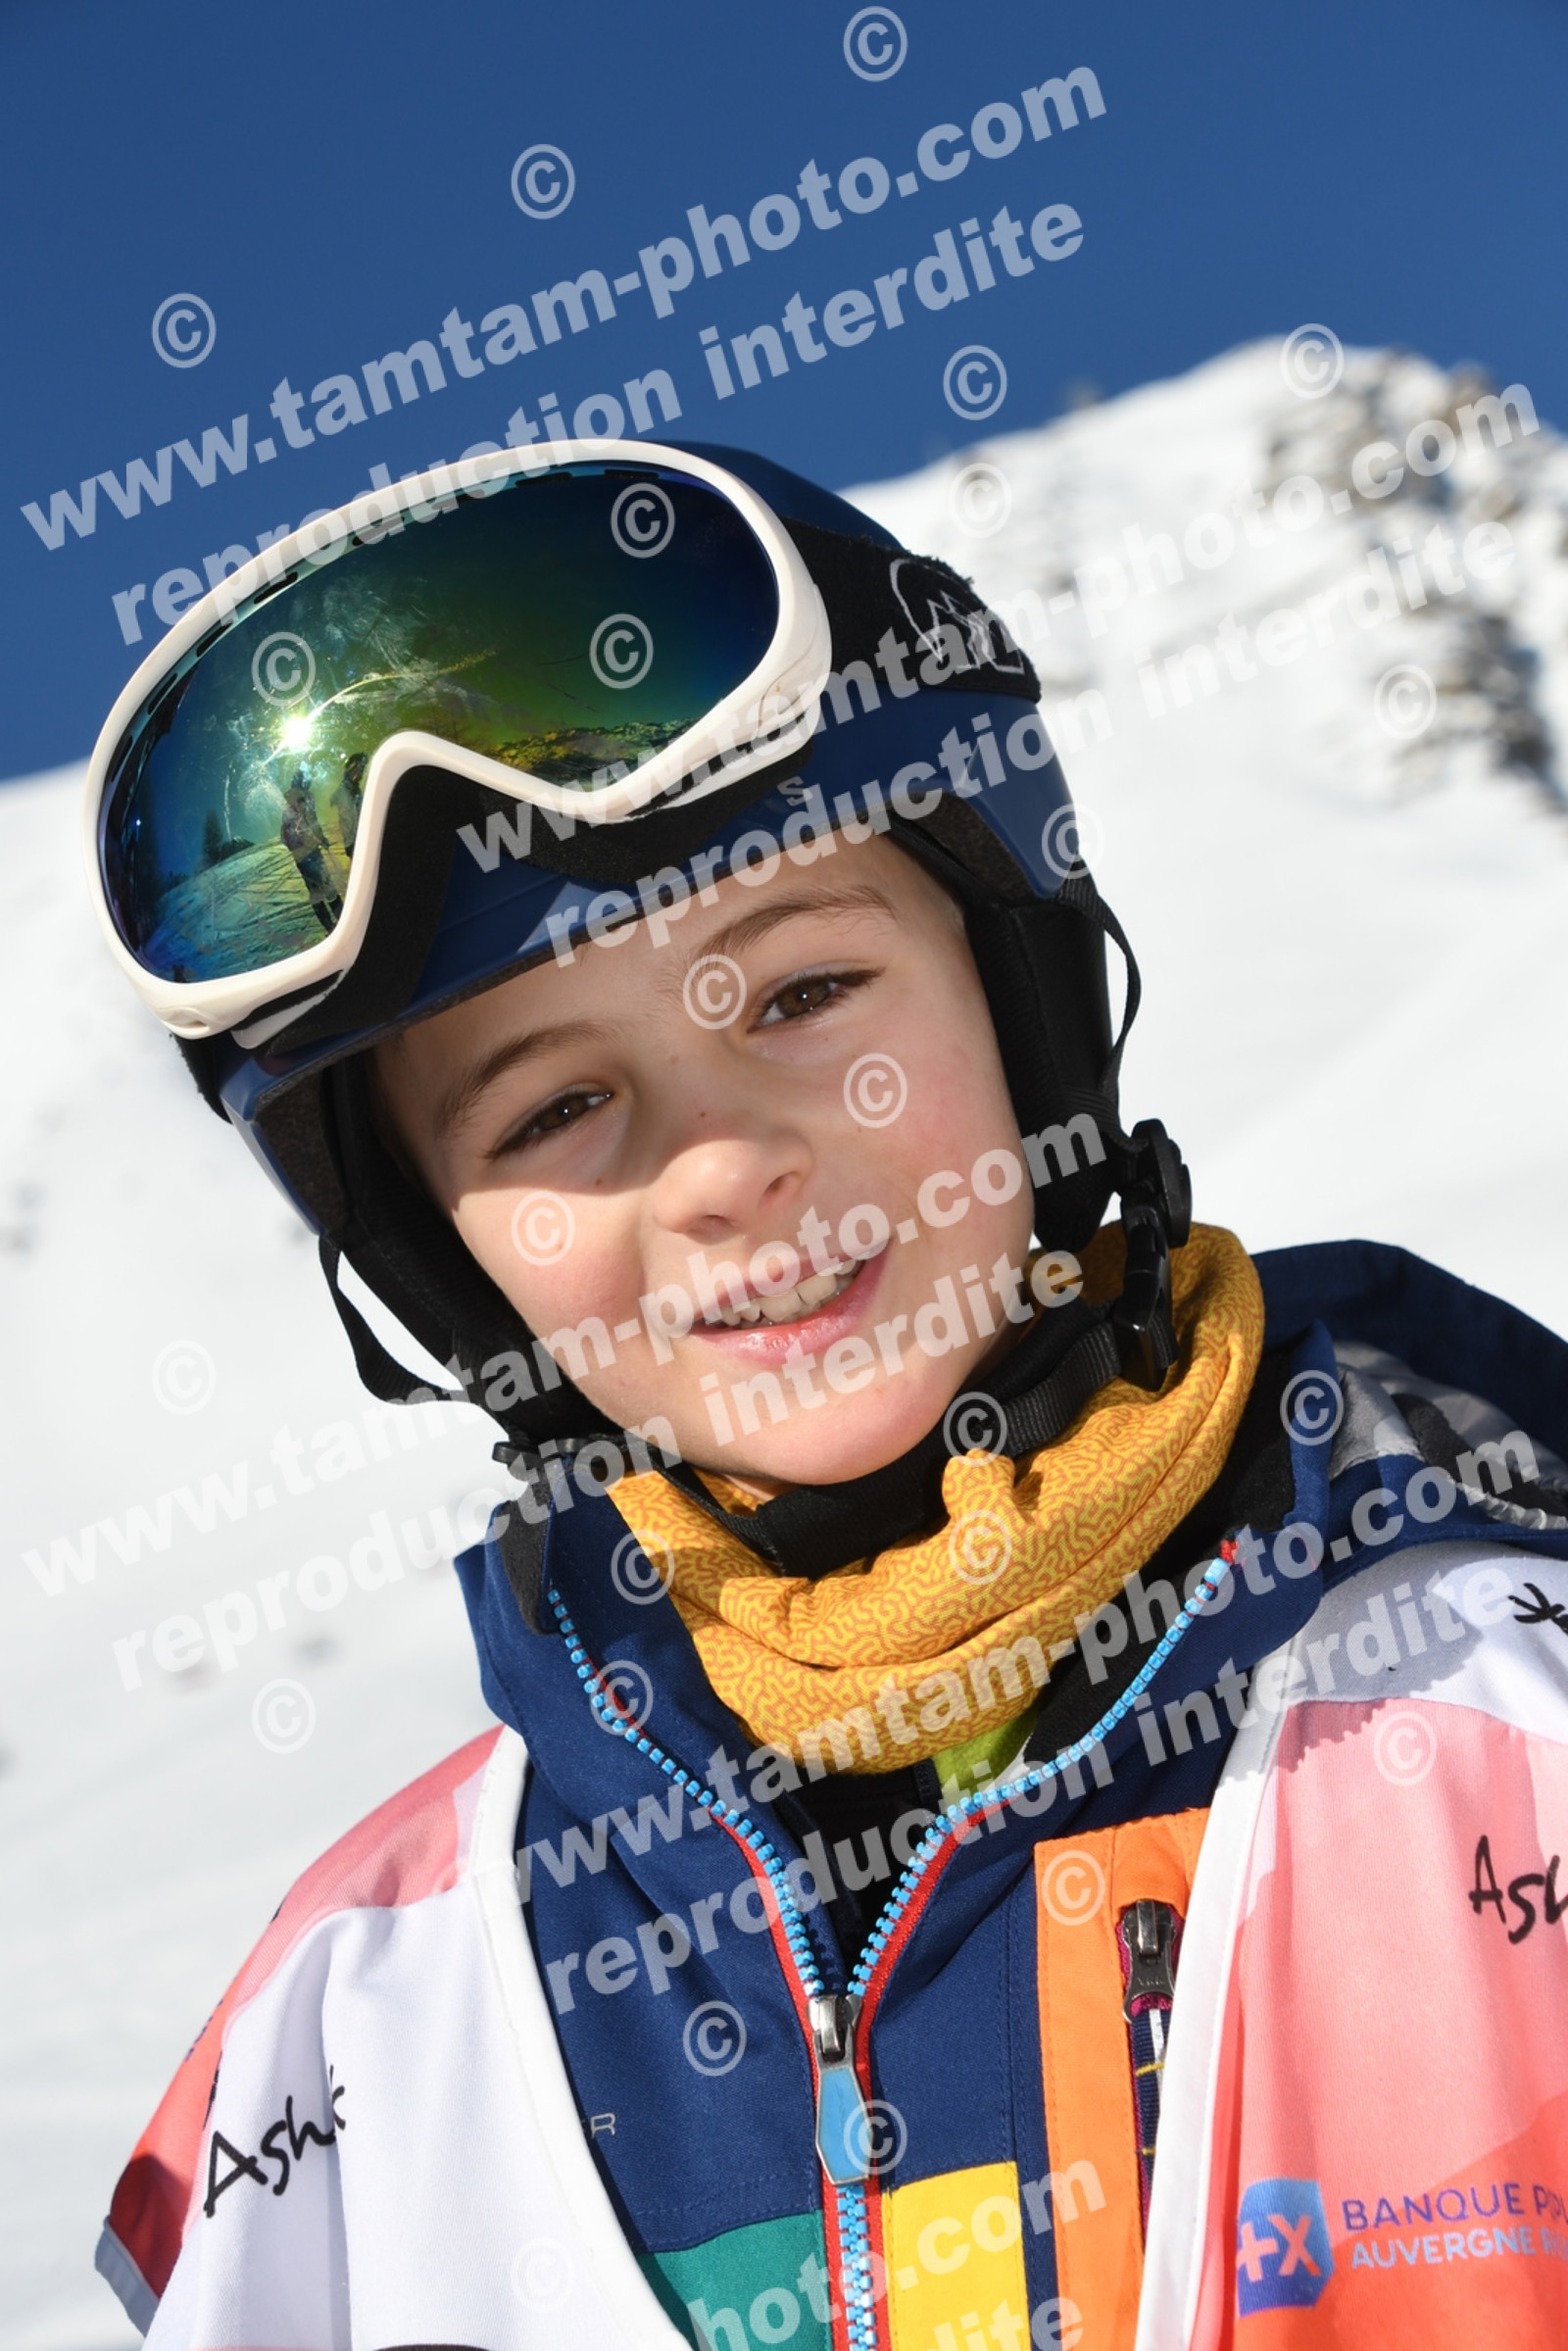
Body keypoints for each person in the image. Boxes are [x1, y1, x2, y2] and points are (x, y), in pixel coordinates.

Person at [85, 440, 1568, 2351]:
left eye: (798, 993)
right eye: (553, 1105)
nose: (718, 1165)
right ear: (448, 1263)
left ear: (1021, 999)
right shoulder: (360, 2018)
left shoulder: (1508, 1730)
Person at [279, 770, 345, 932]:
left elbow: (284, 832)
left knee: (315, 893)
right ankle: (343, 921)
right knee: (328, 887)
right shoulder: (304, 797)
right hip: (310, 852)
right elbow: (312, 822)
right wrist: (322, 839)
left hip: (298, 857)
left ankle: (328, 926)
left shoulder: (287, 801)